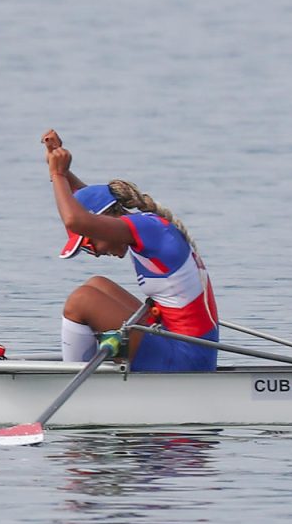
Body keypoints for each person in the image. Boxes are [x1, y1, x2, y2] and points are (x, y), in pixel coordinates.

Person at [43, 129, 217, 371]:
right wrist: (59, 167)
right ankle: (81, 370)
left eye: (90, 245)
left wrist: (57, 173)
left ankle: (75, 385)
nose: (96, 253)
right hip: (181, 343)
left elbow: (76, 220)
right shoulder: (146, 225)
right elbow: (90, 201)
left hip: (186, 357)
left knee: (81, 301)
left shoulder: (149, 229)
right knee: (97, 284)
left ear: (106, 220)